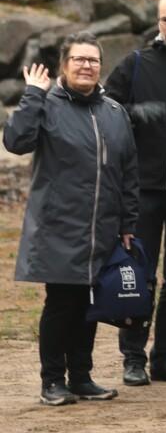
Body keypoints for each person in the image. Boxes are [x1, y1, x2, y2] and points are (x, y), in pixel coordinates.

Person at [10, 36, 139, 406]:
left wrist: (128, 222)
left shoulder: (115, 111)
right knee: (62, 304)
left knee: (89, 305)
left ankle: (81, 377)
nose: (87, 66)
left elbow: (129, 171)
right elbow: (16, 141)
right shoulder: (46, 105)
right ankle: (52, 381)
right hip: (58, 228)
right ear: (64, 65)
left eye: (93, 60)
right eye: (79, 59)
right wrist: (33, 94)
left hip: (103, 229)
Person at [103, 0, 166, 388]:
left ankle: (165, 357)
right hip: (142, 189)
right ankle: (133, 357)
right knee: (137, 274)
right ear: (158, 23)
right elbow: (104, 108)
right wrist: (134, 113)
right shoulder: (138, 62)